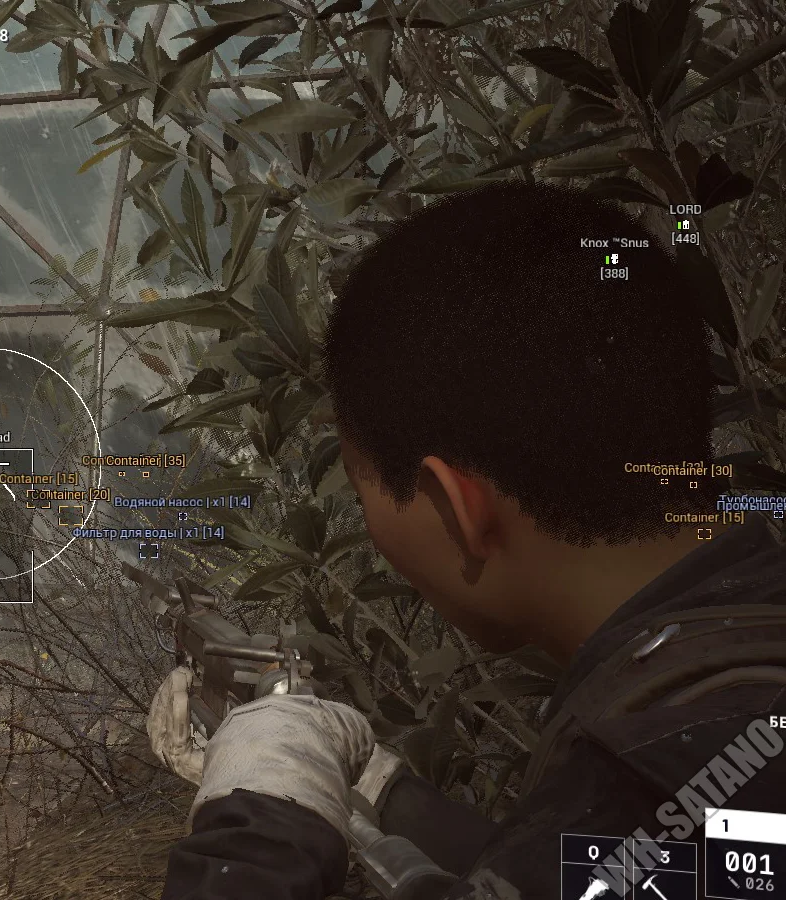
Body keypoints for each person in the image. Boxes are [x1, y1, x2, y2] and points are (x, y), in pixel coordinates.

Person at [148, 181, 786, 899]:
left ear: (458, 509)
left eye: (362, 492)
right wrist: (386, 793)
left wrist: (256, 826)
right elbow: (588, 865)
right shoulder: (731, 666)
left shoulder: (649, 786)